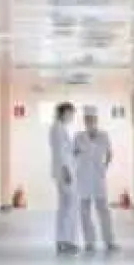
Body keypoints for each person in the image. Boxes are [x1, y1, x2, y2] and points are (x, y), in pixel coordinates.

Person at [75, 105, 118, 252]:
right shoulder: (79, 137)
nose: (89, 122)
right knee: (84, 211)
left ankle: (109, 241)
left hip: (98, 177)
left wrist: (105, 167)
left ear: (96, 120)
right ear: (84, 121)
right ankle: (89, 242)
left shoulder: (104, 136)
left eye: (92, 119)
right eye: (87, 119)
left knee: (103, 210)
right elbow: (73, 153)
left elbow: (110, 153)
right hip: (83, 177)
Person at [49, 102, 79, 254]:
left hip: (63, 171)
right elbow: (60, 152)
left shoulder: (58, 127)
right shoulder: (58, 129)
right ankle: (66, 241)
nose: (72, 117)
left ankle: (62, 241)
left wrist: (74, 152)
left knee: (64, 207)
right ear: (64, 112)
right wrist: (66, 170)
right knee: (69, 206)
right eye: (71, 113)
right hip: (64, 172)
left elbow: (65, 150)